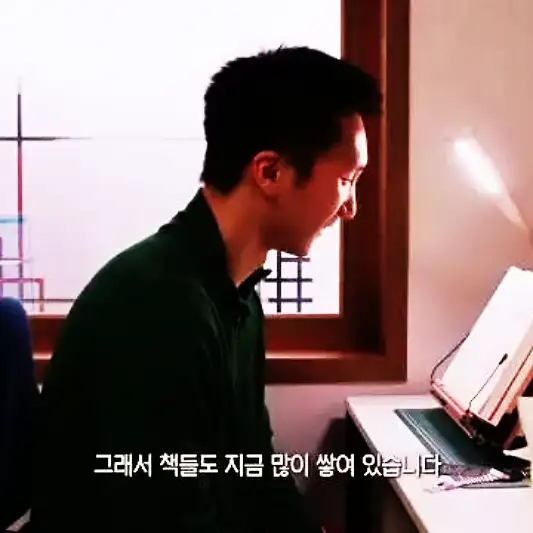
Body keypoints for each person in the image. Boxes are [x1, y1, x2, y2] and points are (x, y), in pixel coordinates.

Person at [31, 46, 381, 532]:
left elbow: (254, 467)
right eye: (347, 179)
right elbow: (164, 517)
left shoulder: (238, 293)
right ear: (270, 172)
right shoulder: (159, 307)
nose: (351, 207)